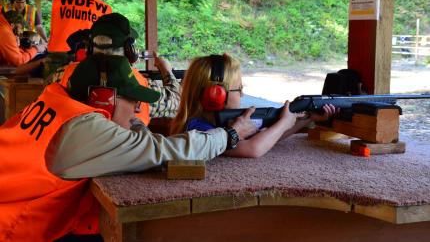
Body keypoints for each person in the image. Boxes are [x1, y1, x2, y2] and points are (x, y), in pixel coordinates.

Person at [0, 53, 257, 241]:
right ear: (102, 99)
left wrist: (133, 124)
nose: (137, 108)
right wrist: (230, 134)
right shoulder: (84, 130)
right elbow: (167, 152)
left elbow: (141, 141)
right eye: (132, 100)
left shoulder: (56, 102)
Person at [171, 54, 337, 158]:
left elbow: (269, 139)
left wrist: (307, 119)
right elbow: (253, 148)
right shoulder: (198, 129)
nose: (242, 94)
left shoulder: (218, 123)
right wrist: (282, 123)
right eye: (239, 89)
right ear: (215, 95)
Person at [51, 13, 181, 125]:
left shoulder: (61, 74)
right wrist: (166, 70)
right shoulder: (139, 83)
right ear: (130, 51)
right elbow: (176, 100)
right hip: (128, 150)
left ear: (90, 48)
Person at [46, 0, 112, 77]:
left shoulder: (58, 1)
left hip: (57, 57)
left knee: (51, 91)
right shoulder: (106, 9)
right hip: (87, 59)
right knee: (82, 92)